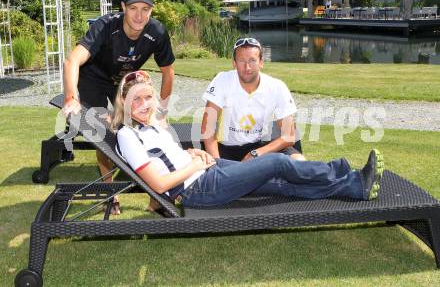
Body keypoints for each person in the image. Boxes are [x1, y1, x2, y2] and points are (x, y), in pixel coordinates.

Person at [112, 71, 384, 209]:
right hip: (198, 188)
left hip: (207, 170)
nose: (145, 104)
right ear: (123, 101)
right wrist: (194, 167)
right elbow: (159, 185)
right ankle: (340, 169)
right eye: (137, 98)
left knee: (281, 185)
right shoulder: (128, 135)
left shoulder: (152, 125)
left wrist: (195, 154)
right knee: (277, 162)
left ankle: (355, 186)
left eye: (148, 96)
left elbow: (167, 159)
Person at [62, 0, 175, 214]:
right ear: (123, 7)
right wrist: (71, 97)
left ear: (152, 11)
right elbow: (71, 61)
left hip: (122, 82)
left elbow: (168, 71)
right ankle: (109, 191)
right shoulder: (105, 25)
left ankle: (157, 197)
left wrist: (162, 108)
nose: (139, 15)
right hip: (92, 78)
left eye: (146, 9)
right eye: (134, 8)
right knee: (104, 135)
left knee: (147, 131)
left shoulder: (157, 32)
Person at [201, 37, 305, 162]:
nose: (247, 67)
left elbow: (289, 136)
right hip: (226, 148)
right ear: (234, 63)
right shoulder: (222, 80)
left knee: (299, 161)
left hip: (260, 146)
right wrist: (217, 165)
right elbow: (207, 128)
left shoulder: (277, 86)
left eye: (252, 60)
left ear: (261, 62)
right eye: (241, 61)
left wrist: (257, 153)